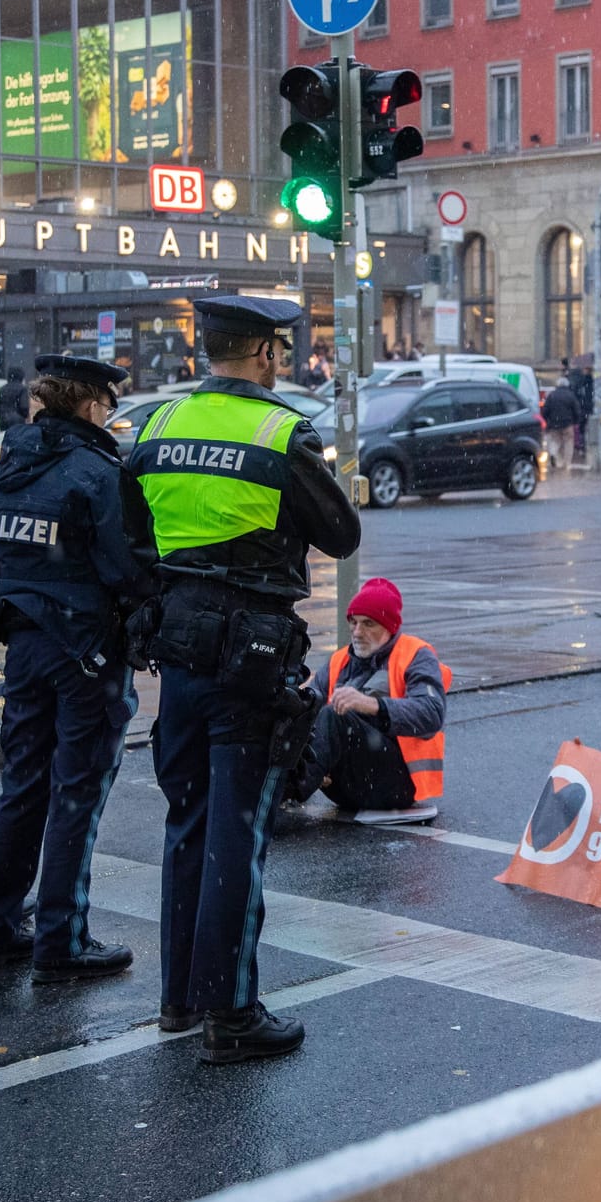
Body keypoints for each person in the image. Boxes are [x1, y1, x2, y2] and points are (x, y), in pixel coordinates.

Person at [123, 295, 361, 1064]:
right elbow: (340, 531)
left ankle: (179, 1001)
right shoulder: (282, 431)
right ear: (264, 354)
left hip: (179, 646)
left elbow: (129, 530)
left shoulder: (156, 425)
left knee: (187, 821)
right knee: (238, 831)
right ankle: (231, 1010)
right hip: (251, 653)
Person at [0, 355, 155, 981]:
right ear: (89, 404)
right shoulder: (96, 472)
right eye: (106, 403)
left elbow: (6, 552)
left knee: (21, 787)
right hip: (84, 649)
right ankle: (61, 941)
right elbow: (128, 567)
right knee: (76, 793)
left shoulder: (11, 466)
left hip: (23, 642)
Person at [289, 578, 449, 821]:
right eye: (353, 622)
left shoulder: (415, 655)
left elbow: (431, 713)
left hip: (398, 785)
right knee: (289, 713)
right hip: (344, 784)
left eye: (368, 624)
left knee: (334, 716)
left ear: (389, 626)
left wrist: (372, 705)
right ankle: (271, 788)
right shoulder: (340, 660)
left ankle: (283, 793)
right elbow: (306, 710)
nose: (357, 632)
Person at [541, 377, 582, 473]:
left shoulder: (551, 395)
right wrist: (576, 421)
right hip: (567, 423)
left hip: (553, 424)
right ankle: (567, 463)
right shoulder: (570, 395)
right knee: (568, 442)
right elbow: (576, 410)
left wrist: (547, 421)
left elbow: (545, 410)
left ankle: (553, 454)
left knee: (555, 441)